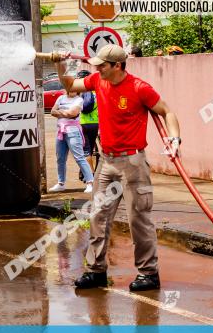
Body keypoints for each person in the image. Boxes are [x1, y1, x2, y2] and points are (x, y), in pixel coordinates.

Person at [57, 44, 181, 292]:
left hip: (133, 163)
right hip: (107, 162)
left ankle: (149, 274)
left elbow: (167, 112)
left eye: (102, 65)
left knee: (139, 220)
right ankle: (95, 271)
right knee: (98, 217)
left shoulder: (138, 88)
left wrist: (174, 139)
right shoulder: (98, 81)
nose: (98, 69)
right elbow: (71, 86)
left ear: (117, 65)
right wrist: (59, 65)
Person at [49, 90, 94, 193]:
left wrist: (60, 112)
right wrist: (66, 114)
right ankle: (61, 183)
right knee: (60, 158)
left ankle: (90, 182)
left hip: (73, 131)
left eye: (73, 87)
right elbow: (52, 111)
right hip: (60, 131)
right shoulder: (61, 98)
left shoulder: (79, 100)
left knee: (79, 157)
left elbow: (72, 113)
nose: (71, 89)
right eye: (69, 87)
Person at [76, 70, 100, 180]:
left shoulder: (79, 93)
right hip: (95, 124)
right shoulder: (97, 92)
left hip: (83, 124)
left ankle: (91, 175)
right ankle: (84, 172)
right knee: (90, 149)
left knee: (85, 151)